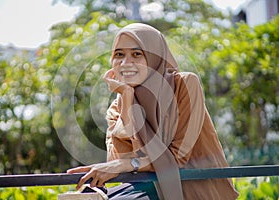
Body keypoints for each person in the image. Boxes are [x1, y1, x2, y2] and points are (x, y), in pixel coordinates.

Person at [67, 23, 239, 199]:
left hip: (193, 189)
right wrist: (127, 96)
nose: (126, 63)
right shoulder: (116, 108)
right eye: (119, 55)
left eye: (137, 54)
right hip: (145, 190)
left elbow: (177, 158)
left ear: (154, 56)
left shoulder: (184, 85)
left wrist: (127, 164)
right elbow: (118, 162)